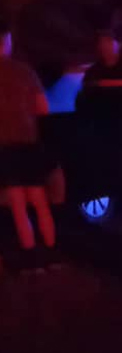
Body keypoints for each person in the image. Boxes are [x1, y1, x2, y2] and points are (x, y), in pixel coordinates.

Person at [0, 26, 58, 273]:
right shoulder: (25, 71)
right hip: (30, 144)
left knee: (18, 204)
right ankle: (50, 253)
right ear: (6, 42)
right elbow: (43, 108)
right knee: (39, 201)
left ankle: (30, 256)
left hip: (5, 146)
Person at [75, 28, 122, 204]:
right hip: (102, 127)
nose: (105, 47)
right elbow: (85, 96)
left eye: (109, 42)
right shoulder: (94, 71)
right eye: (101, 43)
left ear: (118, 44)